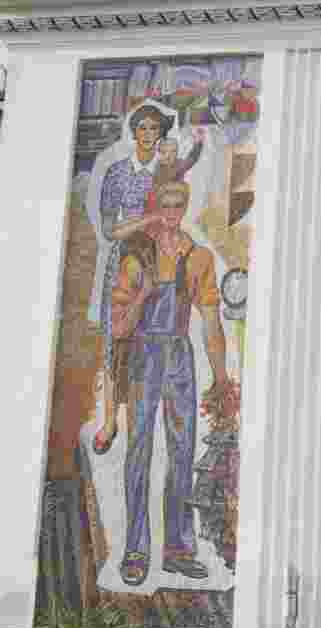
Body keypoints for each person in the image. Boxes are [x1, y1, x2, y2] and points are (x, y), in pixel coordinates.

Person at [110, 181, 228, 586]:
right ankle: (136, 550)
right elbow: (119, 327)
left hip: (179, 356)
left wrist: (222, 377)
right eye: (166, 204)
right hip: (144, 356)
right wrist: (142, 296)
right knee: (139, 450)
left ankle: (178, 549)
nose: (173, 211)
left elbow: (211, 319)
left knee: (182, 451)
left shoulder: (198, 258)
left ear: (186, 207)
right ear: (156, 207)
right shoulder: (135, 257)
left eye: (179, 204)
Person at [93, 104, 176, 455]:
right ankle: (110, 420)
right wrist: (145, 221)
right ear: (133, 132)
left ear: (160, 135)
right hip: (123, 263)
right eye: (141, 127)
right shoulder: (116, 173)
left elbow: (175, 214)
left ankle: (141, 425)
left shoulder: (166, 174)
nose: (147, 134)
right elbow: (112, 229)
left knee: (150, 343)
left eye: (154, 128)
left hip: (157, 262)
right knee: (116, 342)